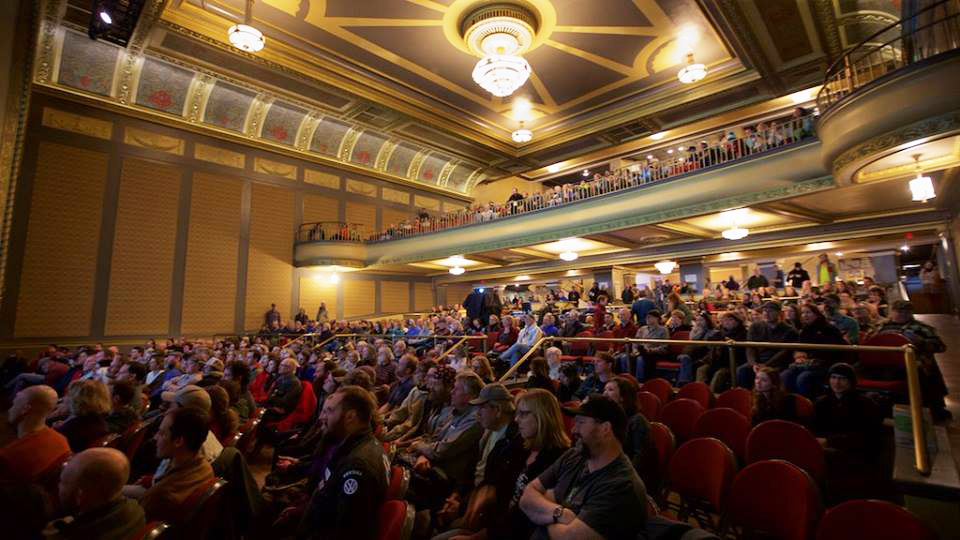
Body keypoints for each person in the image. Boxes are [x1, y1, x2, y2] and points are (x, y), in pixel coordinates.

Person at [519, 394, 647, 539]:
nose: (573, 430)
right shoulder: (574, 456)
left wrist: (544, 509)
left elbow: (567, 538)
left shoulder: (621, 486)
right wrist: (561, 513)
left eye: (581, 422)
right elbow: (526, 497)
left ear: (605, 429)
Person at [297, 386, 387, 540]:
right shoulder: (352, 445)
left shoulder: (357, 466)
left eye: (329, 411)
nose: (321, 417)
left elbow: (345, 532)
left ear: (350, 416)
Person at [43, 448, 145, 540]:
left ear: (80, 496)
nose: (58, 486)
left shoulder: (65, 536)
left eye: (62, 482)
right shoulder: (137, 510)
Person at [875, 300, 950, 420]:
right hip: (884, 363)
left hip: (913, 362)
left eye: (906, 311)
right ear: (892, 312)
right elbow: (870, 342)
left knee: (920, 371)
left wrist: (920, 341)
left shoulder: (922, 328)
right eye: (899, 311)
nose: (902, 314)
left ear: (911, 313)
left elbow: (940, 346)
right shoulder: (880, 327)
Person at [139, 408, 215, 525]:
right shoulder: (204, 466)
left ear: (178, 441)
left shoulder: (161, 496)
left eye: (162, 433)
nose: (155, 437)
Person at [0, 385, 71, 484]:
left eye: (14, 404)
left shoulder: (8, 456)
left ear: (25, 409)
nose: (10, 410)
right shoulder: (62, 441)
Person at [782, 304, 848, 398]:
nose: (805, 315)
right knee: (785, 375)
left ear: (817, 314)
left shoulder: (828, 329)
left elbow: (833, 351)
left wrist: (811, 358)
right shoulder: (804, 330)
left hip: (826, 363)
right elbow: (800, 348)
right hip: (807, 363)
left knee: (803, 378)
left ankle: (809, 404)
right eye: (803, 313)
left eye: (808, 312)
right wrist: (799, 356)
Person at [738, 302, 799, 389]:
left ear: (779, 313)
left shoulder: (790, 330)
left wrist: (766, 365)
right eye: (764, 311)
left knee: (776, 374)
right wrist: (753, 364)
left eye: (770, 311)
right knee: (742, 370)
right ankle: (747, 397)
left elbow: (785, 352)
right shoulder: (755, 326)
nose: (766, 313)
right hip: (758, 362)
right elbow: (750, 347)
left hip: (778, 363)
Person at [56, 379, 112, 453]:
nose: (64, 398)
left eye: (69, 395)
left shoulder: (74, 428)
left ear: (78, 400)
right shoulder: (97, 420)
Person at [635, 310, 669, 381]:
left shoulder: (663, 330)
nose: (647, 319)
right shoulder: (642, 329)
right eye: (647, 317)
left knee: (641, 359)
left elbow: (664, 346)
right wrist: (635, 350)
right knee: (625, 357)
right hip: (641, 352)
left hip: (655, 353)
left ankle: (641, 380)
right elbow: (635, 341)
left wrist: (651, 350)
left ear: (657, 319)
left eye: (650, 317)